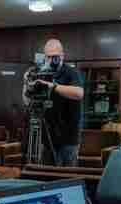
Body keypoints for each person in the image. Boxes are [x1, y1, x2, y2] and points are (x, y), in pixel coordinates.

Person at [22, 39, 84, 167]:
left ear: (62, 55)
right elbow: (27, 101)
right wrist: (27, 85)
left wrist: (52, 86)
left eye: (54, 56)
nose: (51, 59)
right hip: (47, 134)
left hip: (68, 136)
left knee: (68, 176)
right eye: (48, 56)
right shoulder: (40, 73)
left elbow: (79, 93)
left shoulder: (71, 72)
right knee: (47, 174)